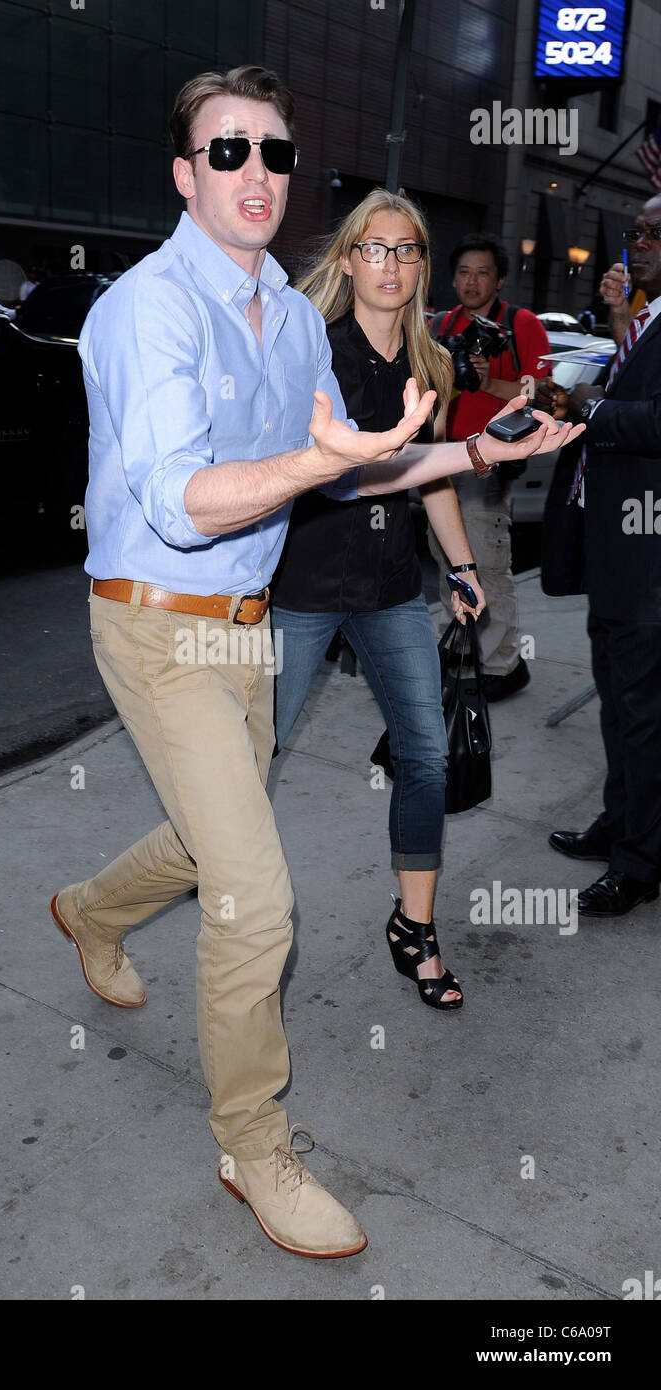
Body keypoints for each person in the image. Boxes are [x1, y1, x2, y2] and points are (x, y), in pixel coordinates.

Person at [50, 65, 580, 1260]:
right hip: (158, 617)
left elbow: (351, 469)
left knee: (202, 839)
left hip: (244, 624)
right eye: (227, 152)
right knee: (256, 899)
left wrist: (475, 455)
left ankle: (88, 910)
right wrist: (325, 460)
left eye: (275, 154)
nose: (256, 174)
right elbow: (188, 505)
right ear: (186, 175)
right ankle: (255, 1145)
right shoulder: (147, 311)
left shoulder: (291, 319)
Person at [272, 188, 485, 1012]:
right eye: (375, 247)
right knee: (253, 759)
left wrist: (461, 570)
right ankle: (201, 896)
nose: (390, 264)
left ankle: (415, 928)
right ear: (349, 259)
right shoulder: (311, 352)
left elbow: (433, 484)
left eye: (407, 250)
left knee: (425, 756)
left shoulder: (432, 362)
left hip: (393, 587)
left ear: (421, 266)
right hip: (306, 585)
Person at [537, 194, 661, 918]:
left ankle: (640, 863)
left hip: (648, 566)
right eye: (635, 232)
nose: (637, 244)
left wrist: (588, 408)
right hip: (615, 550)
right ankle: (623, 822)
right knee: (619, 707)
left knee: (642, 713)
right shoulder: (642, 321)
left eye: (654, 234)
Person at [429, 234, 552, 701]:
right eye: (463, 272)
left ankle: (502, 664)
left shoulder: (519, 324)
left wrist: (488, 381)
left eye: (482, 273)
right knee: (448, 558)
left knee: (486, 559)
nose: (471, 281)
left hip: (491, 460)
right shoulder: (443, 323)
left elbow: (542, 396)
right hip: (442, 456)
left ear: (499, 280)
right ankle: (461, 650)